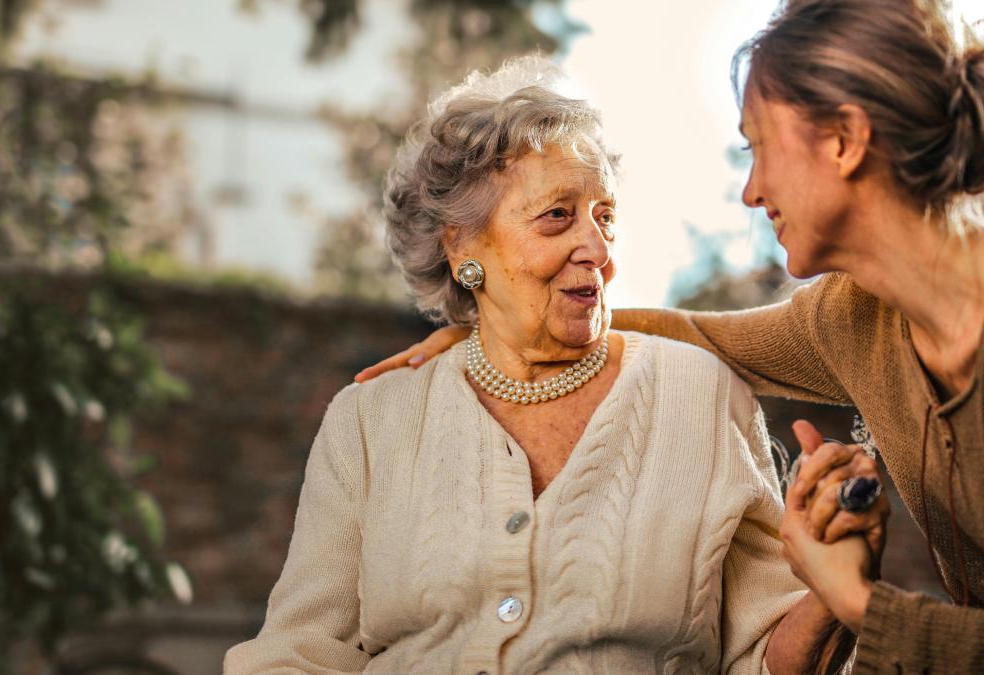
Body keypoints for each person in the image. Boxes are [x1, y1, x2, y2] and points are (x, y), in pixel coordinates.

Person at [356, 1, 984, 672]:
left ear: (844, 139)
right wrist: (496, 331)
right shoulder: (860, 314)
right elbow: (698, 335)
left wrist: (863, 606)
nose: (751, 190)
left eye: (759, 149)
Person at [226, 56, 887, 674]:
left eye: (605, 217)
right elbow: (299, 653)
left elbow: (765, 656)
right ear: (461, 248)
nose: (596, 248)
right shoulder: (371, 420)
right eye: (557, 218)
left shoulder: (702, 397)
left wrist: (834, 592)